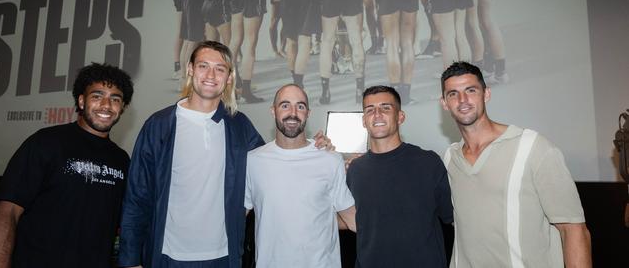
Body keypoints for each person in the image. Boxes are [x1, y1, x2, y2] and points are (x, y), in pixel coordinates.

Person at [117, 41, 332, 268]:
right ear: (190, 69)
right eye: (203, 66)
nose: (211, 74)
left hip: (223, 257)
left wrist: (313, 148)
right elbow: (137, 197)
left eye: (220, 69)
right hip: (168, 256)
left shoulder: (239, 125)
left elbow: (273, 162)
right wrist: (130, 260)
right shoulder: (159, 125)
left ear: (229, 77)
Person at [439, 61, 592, 267]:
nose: (463, 100)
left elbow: (573, 230)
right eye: (453, 94)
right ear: (444, 103)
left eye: (471, 90)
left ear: (486, 94)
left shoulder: (533, 147)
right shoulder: (450, 158)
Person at [0, 63, 134, 268]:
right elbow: (8, 211)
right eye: (97, 96)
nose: (106, 105)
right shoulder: (46, 143)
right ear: (81, 101)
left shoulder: (122, 160)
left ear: (123, 107)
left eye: (115, 99)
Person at [244, 84, 355, 267]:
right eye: (285, 105)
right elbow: (236, 218)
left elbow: (351, 219)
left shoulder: (330, 159)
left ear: (308, 113)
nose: (293, 113)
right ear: (273, 111)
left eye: (300, 106)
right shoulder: (253, 161)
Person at [346, 85, 453, 267]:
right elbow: (352, 219)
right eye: (370, 110)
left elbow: (453, 219)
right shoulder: (355, 169)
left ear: (400, 117)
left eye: (385, 108)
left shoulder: (428, 162)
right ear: (364, 121)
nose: (377, 114)